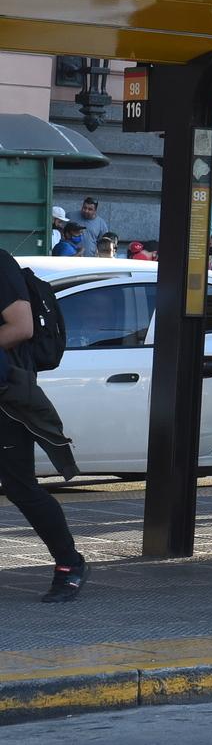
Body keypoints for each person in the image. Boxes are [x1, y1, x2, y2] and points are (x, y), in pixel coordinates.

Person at [0, 248, 89, 602]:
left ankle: (70, 563)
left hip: (6, 398)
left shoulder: (0, 265)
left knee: (21, 487)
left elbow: (20, 326)